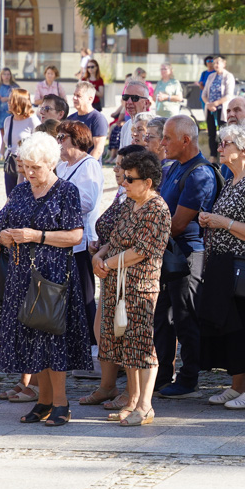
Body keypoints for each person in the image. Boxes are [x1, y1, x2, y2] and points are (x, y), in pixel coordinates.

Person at [0, 132, 93, 426]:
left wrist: (37, 236)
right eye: (25, 167)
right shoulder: (20, 192)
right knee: (33, 341)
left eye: (36, 167)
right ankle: (43, 401)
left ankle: (61, 403)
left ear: (51, 163)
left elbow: (75, 236)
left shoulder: (66, 191)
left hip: (52, 279)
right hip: (21, 277)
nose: (30, 173)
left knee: (52, 340)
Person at [93, 150, 171, 425]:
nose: (123, 183)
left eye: (129, 179)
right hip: (117, 282)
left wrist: (108, 263)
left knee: (142, 345)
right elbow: (114, 238)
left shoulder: (157, 209)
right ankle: (133, 401)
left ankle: (146, 406)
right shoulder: (129, 203)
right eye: (123, 177)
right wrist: (99, 257)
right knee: (126, 344)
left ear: (147, 182)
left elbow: (141, 251)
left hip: (140, 285)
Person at [199, 125, 245, 409]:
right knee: (231, 325)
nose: (220, 148)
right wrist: (211, 220)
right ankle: (237, 384)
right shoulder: (232, 179)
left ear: (244, 149)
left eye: (225, 143)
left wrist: (221, 223)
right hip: (224, 265)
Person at [156, 115, 220, 398]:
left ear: (186, 139)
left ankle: (189, 377)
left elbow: (178, 223)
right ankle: (161, 375)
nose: (162, 143)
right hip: (168, 251)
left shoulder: (199, 173)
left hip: (187, 254)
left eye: (167, 138)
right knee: (163, 318)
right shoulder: (173, 168)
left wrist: (147, 235)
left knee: (185, 317)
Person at [80, 144, 144, 408]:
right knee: (104, 330)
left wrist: (107, 256)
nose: (116, 169)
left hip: (128, 273)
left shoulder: (141, 199)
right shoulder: (121, 193)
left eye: (121, 165)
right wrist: (99, 249)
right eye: (116, 164)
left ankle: (133, 392)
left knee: (127, 332)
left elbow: (137, 244)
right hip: (108, 268)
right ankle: (107, 386)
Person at [56, 120, 104, 346]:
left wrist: (55, 201)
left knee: (84, 293)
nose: (58, 143)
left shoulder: (89, 165)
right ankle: (73, 341)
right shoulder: (62, 166)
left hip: (81, 240)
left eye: (62, 138)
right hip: (61, 240)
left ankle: (92, 346)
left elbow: (87, 201)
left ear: (76, 140)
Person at [3, 88, 41, 194]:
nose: (8, 102)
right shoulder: (8, 120)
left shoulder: (32, 120)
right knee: (11, 196)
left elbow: (38, 143)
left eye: (11, 100)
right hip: (11, 164)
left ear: (19, 102)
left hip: (27, 166)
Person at [201, 55, 235, 161]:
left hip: (222, 110)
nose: (215, 65)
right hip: (211, 110)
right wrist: (209, 104)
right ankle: (213, 155)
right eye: (214, 63)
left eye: (218, 63)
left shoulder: (228, 76)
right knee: (211, 133)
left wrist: (215, 103)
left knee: (223, 133)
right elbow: (204, 94)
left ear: (224, 64)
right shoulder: (211, 76)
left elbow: (229, 95)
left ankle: (223, 155)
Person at [68, 81, 109, 161]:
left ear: (90, 99)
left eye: (78, 96)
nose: (74, 98)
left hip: (88, 169)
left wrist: (84, 167)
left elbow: (98, 150)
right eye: (74, 95)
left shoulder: (98, 119)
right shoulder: (70, 119)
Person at [118, 82, 152, 149]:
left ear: (146, 103)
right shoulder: (126, 126)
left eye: (135, 98)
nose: (129, 102)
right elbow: (121, 155)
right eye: (126, 97)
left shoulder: (153, 125)